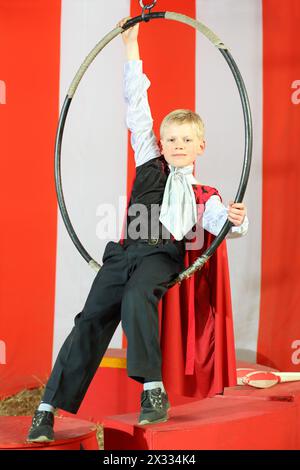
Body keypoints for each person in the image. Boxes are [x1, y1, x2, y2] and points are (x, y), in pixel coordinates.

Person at [27, 18, 248, 442]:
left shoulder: (205, 194)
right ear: (161, 143)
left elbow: (222, 223)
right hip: (122, 252)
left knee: (136, 298)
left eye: (187, 139)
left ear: (200, 145)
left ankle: (152, 390)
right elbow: (137, 106)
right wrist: (131, 47)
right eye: (172, 139)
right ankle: (46, 409)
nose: (178, 145)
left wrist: (236, 221)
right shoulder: (148, 158)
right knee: (88, 320)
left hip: (160, 257)